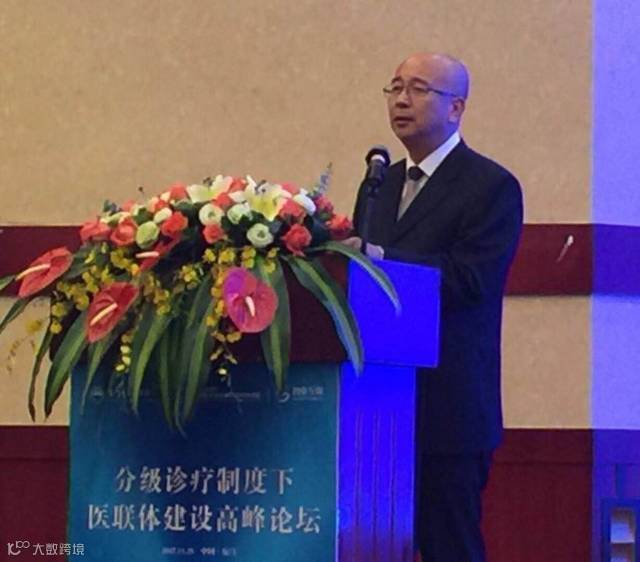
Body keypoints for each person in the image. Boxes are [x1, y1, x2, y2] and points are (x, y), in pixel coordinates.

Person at [344, 53, 523, 562]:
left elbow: (471, 281)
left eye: (419, 89)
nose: (401, 100)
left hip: (449, 408)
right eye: (395, 87)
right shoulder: (379, 185)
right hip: (378, 407)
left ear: (456, 108)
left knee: (450, 547)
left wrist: (383, 257)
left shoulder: (491, 186)